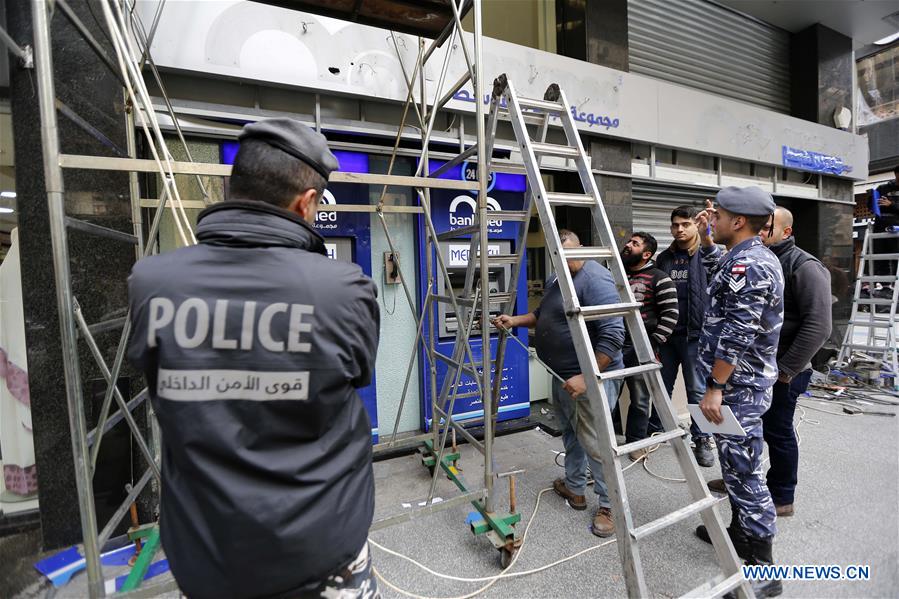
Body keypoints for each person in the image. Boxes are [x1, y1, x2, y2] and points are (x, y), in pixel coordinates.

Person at [127, 118, 381, 599]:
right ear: (306, 202)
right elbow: (358, 376)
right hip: (320, 548)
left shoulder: (151, 282)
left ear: (234, 186)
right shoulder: (344, 289)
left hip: (206, 556)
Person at [493, 230, 625, 538]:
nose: (563, 260)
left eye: (567, 254)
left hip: (588, 380)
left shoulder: (596, 279)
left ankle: (610, 506)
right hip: (562, 376)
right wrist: (515, 321)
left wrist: (587, 378)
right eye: (557, 255)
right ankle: (575, 488)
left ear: (581, 248)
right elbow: (543, 314)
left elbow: (614, 335)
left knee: (597, 444)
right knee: (571, 435)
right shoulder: (558, 278)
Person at [704, 208, 831, 517]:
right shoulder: (757, 258)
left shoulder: (804, 266)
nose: (759, 231)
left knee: (778, 431)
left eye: (766, 227)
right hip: (752, 370)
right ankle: (742, 481)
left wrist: (786, 370)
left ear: (785, 232)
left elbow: (819, 326)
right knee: (748, 432)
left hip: (783, 369)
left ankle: (781, 496)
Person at [692, 187, 784, 598]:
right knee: (733, 468)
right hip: (734, 385)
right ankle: (740, 534)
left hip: (738, 388)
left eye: (719, 215)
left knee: (745, 473)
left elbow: (737, 333)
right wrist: (707, 239)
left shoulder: (753, 265)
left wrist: (715, 387)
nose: (713, 218)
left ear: (739, 221)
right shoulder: (741, 257)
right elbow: (723, 277)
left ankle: (764, 569)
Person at [654, 206, 721, 467]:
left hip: (697, 336)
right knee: (661, 386)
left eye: (685, 224)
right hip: (667, 336)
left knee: (697, 390)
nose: (679, 229)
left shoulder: (708, 255)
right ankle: (656, 430)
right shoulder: (664, 258)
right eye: (675, 225)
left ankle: (702, 439)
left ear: (697, 225)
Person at [614, 232, 678, 460]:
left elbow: (671, 314)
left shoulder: (660, 278)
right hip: (614, 343)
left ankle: (636, 443)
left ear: (646, 254)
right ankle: (606, 440)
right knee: (608, 394)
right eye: (629, 241)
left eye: (635, 244)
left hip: (642, 345)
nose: (628, 245)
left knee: (640, 398)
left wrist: (652, 343)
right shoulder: (616, 275)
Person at [870, 165, 899, 279]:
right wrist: (872, 201)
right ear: (896, 174)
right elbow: (871, 206)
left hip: (897, 228)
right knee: (880, 257)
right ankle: (884, 284)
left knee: (896, 257)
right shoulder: (882, 188)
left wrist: (891, 205)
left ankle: (896, 283)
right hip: (881, 225)